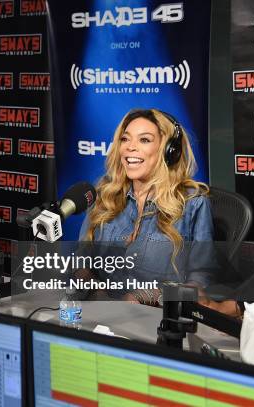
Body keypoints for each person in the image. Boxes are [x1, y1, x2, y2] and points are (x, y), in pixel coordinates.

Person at [78, 108, 216, 304]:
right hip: (104, 317)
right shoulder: (104, 195)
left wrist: (147, 296)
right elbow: (81, 262)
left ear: (169, 151)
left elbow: (200, 284)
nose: (130, 147)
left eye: (144, 140)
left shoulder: (193, 203)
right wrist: (96, 293)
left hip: (159, 320)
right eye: (125, 139)